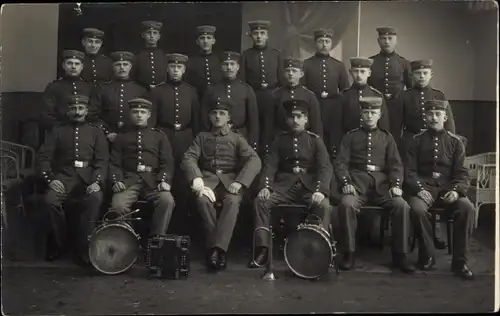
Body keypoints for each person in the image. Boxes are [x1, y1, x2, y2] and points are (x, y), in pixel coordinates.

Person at [333, 96, 413, 273]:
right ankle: (349, 253)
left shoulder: (387, 138)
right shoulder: (350, 137)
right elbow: (341, 163)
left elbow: (395, 165)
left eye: (373, 113)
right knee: (346, 205)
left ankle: (400, 255)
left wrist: (396, 184)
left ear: (379, 115)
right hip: (356, 183)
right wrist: (346, 182)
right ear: (361, 114)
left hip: (382, 186)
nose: (369, 116)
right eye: (366, 112)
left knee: (402, 206)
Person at [181, 98, 262, 272]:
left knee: (232, 202)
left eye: (222, 114)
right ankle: (216, 249)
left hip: (230, 182)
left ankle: (218, 250)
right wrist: (197, 179)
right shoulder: (202, 137)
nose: (217, 117)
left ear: (228, 117)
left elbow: (254, 160)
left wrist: (240, 181)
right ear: (209, 116)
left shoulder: (237, 138)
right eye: (214, 113)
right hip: (208, 181)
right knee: (202, 200)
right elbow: (189, 157)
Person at [249, 99, 332, 268]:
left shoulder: (315, 141)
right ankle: (263, 249)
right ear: (286, 120)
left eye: (299, 117)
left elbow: (325, 167)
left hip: (309, 187)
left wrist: (320, 190)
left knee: (324, 205)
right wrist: (265, 186)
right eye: (292, 117)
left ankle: (320, 250)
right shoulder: (280, 140)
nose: (295, 120)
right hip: (284, 187)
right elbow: (270, 165)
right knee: (261, 201)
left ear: (306, 119)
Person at [405, 100, 474, 280]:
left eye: (437, 114)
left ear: (445, 116)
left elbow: (462, 173)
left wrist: (457, 191)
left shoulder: (455, 142)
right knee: (417, 209)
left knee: (467, 208)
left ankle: (460, 262)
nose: (433, 118)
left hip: (448, 189)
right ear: (425, 117)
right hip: (424, 188)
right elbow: (409, 171)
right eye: (430, 114)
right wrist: (419, 189)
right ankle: (427, 255)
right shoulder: (416, 141)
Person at [36, 95, 108, 265]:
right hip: (64, 176)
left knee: (95, 198)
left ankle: (84, 247)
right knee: (51, 201)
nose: (77, 112)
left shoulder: (96, 132)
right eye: (74, 109)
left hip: (88, 177)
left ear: (86, 111)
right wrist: (51, 179)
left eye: (81, 109)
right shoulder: (58, 131)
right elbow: (43, 158)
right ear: (68, 111)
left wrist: (97, 182)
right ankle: (61, 244)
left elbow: (102, 161)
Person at [109, 98, 175, 238]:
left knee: (167, 201)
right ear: (130, 114)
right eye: (135, 112)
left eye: (143, 112)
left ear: (149, 115)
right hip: (129, 180)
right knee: (118, 206)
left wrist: (164, 180)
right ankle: (130, 239)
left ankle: (157, 239)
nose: (139, 115)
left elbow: (167, 162)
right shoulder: (122, 137)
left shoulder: (159, 136)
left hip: (153, 181)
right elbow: (114, 163)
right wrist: (117, 180)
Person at [239, 20, 286, 155]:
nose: (259, 36)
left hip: (273, 99)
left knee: (270, 131)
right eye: (255, 33)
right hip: (253, 98)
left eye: (262, 33)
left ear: (267, 36)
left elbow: (282, 81)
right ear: (251, 36)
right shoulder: (246, 55)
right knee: (254, 130)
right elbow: (243, 81)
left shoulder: (276, 54)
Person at [302, 28, 350, 157]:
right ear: (315, 43)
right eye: (321, 41)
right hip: (313, 106)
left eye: (327, 41)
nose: (324, 45)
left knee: (333, 138)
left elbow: (345, 90)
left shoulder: (339, 66)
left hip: (333, 108)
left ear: (331, 44)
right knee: (315, 135)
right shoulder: (306, 64)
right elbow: (302, 90)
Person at [200, 51, 259, 149]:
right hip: (216, 138)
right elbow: (204, 117)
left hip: (241, 137)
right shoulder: (211, 89)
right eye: (225, 64)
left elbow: (253, 120)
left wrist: (252, 143)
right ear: (220, 67)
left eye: (232, 64)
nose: (229, 68)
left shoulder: (246, 89)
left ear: (238, 67)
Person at [398, 59, 456, 155]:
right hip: (411, 143)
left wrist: (449, 144)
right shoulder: (404, 96)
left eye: (425, 73)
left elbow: (449, 125)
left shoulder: (439, 96)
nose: (422, 76)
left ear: (431, 75)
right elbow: (397, 125)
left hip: (435, 142)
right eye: (418, 73)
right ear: (412, 75)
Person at [89, 51, 149, 143]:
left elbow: (147, 115)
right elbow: (92, 114)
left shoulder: (140, 90)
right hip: (106, 137)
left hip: (133, 138)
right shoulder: (102, 89)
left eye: (125, 64)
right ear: (113, 67)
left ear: (130, 66)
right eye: (118, 65)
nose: (122, 68)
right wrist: (107, 132)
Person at [267, 57, 323, 156]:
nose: (290, 74)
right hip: (282, 142)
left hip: (304, 143)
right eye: (288, 71)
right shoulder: (276, 95)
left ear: (301, 74)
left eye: (294, 71)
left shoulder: (309, 96)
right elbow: (270, 124)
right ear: (284, 73)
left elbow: (316, 125)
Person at [150, 53, 200, 162]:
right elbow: (152, 118)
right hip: (164, 135)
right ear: (167, 69)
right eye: (172, 67)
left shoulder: (191, 91)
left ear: (184, 70)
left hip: (185, 137)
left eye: (179, 67)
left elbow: (195, 119)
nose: (176, 70)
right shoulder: (157, 91)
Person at [368, 27, 412, 140]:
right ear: (378, 41)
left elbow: (411, 90)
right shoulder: (370, 62)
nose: (387, 41)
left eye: (390, 38)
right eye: (383, 38)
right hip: (375, 109)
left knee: (395, 138)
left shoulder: (404, 63)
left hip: (397, 109)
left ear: (396, 40)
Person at [40, 50, 92, 135]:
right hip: (60, 131)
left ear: (82, 67)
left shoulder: (89, 87)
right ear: (63, 66)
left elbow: (92, 112)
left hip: (85, 132)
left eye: (77, 64)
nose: (73, 67)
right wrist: (61, 129)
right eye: (70, 63)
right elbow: (47, 114)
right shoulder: (54, 87)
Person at [185, 25, 223, 100]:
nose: (205, 41)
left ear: (213, 41)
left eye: (209, 38)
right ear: (197, 41)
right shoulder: (190, 62)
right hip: (198, 99)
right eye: (202, 38)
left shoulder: (220, 60)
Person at [131, 21, 167, 90]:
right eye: (148, 33)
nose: (151, 36)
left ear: (159, 36)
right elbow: (133, 78)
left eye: (155, 33)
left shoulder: (164, 56)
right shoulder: (137, 57)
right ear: (143, 35)